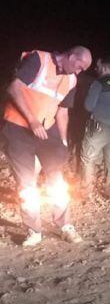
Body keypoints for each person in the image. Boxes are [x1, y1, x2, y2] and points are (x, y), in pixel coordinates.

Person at [1, 47, 92, 247]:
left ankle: (65, 225)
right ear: (71, 56)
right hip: (18, 128)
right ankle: (34, 230)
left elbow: (62, 112)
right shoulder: (39, 60)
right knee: (26, 184)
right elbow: (14, 88)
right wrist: (32, 121)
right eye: (79, 66)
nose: (79, 71)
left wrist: (63, 140)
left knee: (57, 179)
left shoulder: (71, 80)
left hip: (46, 129)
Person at [80, 56, 110, 199]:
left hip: (99, 127)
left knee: (88, 159)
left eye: (97, 66)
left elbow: (88, 106)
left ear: (104, 66)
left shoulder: (99, 83)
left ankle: (87, 193)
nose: (96, 69)